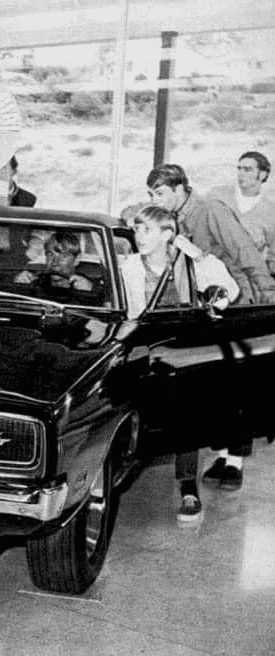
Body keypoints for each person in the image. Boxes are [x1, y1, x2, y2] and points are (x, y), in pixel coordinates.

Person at [121, 205, 242, 522]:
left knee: (187, 411)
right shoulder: (129, 266)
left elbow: (230, 290)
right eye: (136, 229)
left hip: (182, 351)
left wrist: (196, 254)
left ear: (167, 235)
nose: (139, 236)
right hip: (143, 350)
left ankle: (188, 487)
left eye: (147, 230)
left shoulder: (189, 265)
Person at [146, 163, 275, 304]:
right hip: (205, 300)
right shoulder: (173, 219)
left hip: (236, 299)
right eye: (151, 195)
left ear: (179, 189)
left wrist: (270, 297)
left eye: (159, 194)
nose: (154, 201)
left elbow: (246, 253)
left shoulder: (211, 210)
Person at [208, 151, 275, 277]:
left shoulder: (270, 212)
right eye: (239, 169)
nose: (241, 173)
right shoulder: (218, 195)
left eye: (247, 170)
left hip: (247, 278)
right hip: (211, 272)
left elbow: (273, 258)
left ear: (262, 174)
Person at [14, 232, 94, 293]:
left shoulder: (86, 286)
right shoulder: (35, 283)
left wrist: (91, 291)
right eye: (50, 255)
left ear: (76, 260)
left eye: (63, 256)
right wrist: (18, 286)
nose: (55, 263)